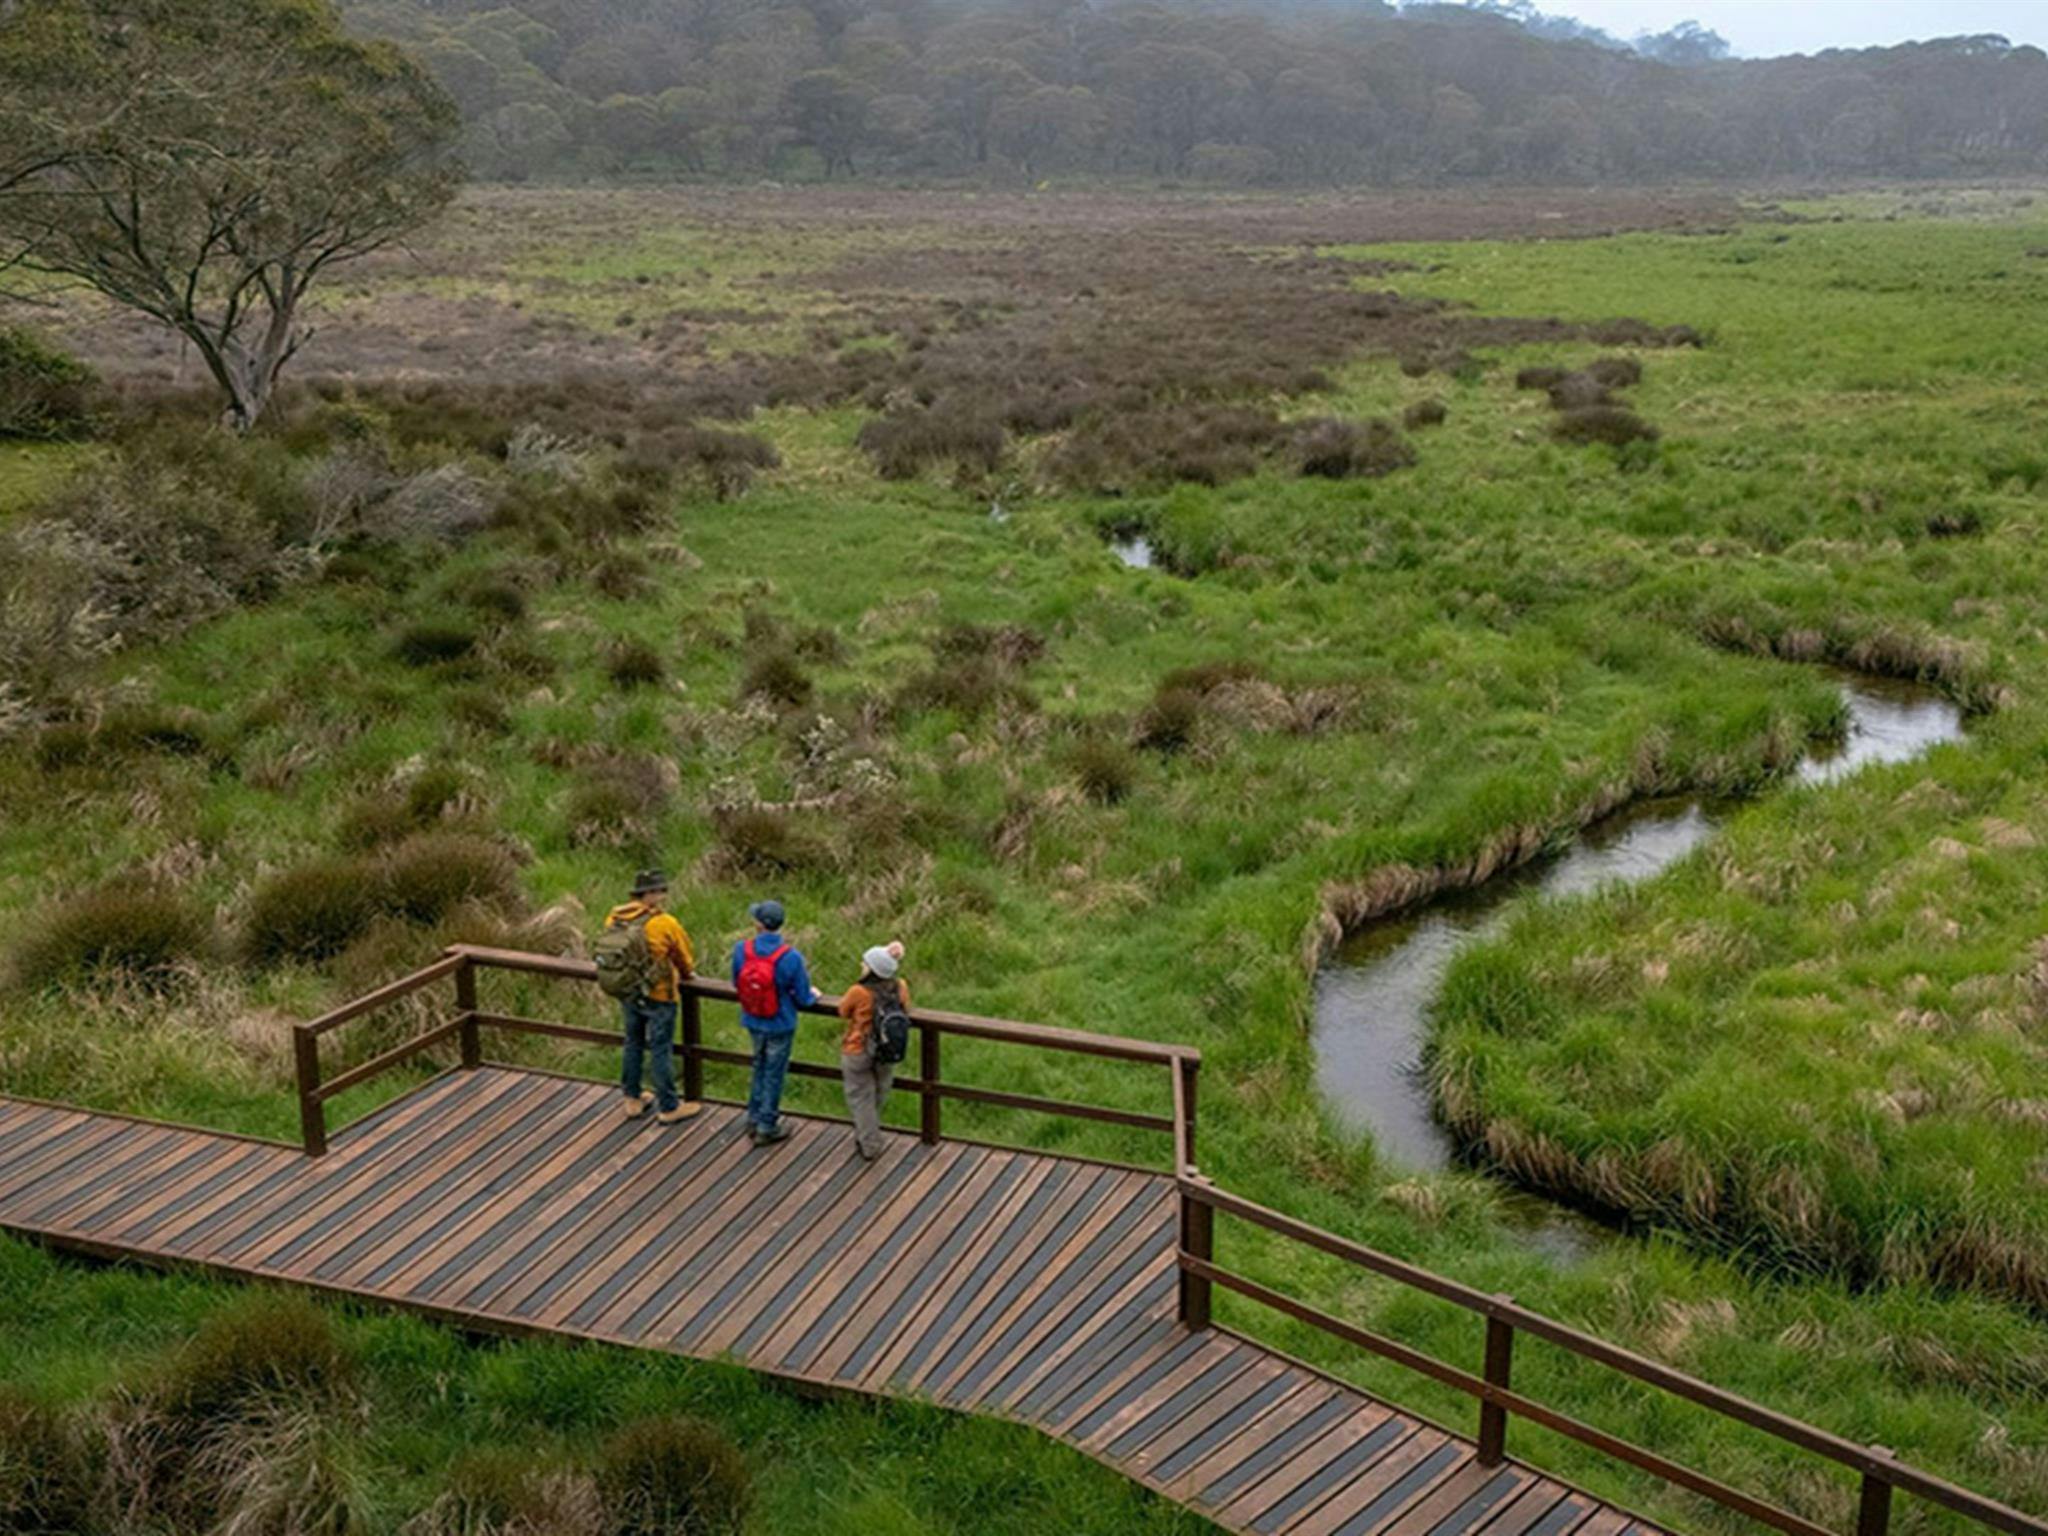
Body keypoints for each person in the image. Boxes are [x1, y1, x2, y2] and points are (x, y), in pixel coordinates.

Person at [600, 869, 703, 1125]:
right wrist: (688, 973)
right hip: (660, 994)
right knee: (660, 1048)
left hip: (629, 990)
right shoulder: (664, 923)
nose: (662, 895)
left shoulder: (615, 917)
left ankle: (632, 1099)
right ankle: (669, 1107)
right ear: (651, 894)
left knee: (633, 1042)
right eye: (659, 891)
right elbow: (683, 956)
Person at [730, 899, 815, 1147]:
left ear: (758, 924)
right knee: (774, 1073)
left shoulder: (741, 950)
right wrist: (813, 996)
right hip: (780, 1022)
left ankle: (754, 1117)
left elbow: (737, 982)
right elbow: (803, 997)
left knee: (759, 1066)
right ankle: (767, 1125)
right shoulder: (791, 957)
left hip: (753, 1019)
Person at [837, 941, 909, 1161]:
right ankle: (868, 1131)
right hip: (886, 1049)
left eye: (865, 962)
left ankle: (869, 1143)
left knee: (860, 1097)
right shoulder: (900, 987)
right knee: (878, 1091)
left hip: (858, 1048)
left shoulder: (858, 991)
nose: (862, 964)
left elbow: (842, 1011)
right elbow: (906, 1008)